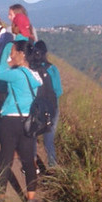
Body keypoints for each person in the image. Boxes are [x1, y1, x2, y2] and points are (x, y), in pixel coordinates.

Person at [0, 40, 42, 202]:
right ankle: (31, 199)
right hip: (28, 122)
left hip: (10, 121)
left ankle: (1, 195)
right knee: (27, 161)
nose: (11, 54)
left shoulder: (17, 74)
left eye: (13, 51)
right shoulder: (36, 76)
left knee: (6, 159)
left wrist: (6, 61)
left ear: (21, 54)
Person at [27, 40, 63, 169]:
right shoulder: (52, 69)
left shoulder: (30, 68)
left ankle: (32, 162)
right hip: (52, 107)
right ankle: (52, 164)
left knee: (33, 134)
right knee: (49, 136)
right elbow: (58, 91)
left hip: (35, 106)